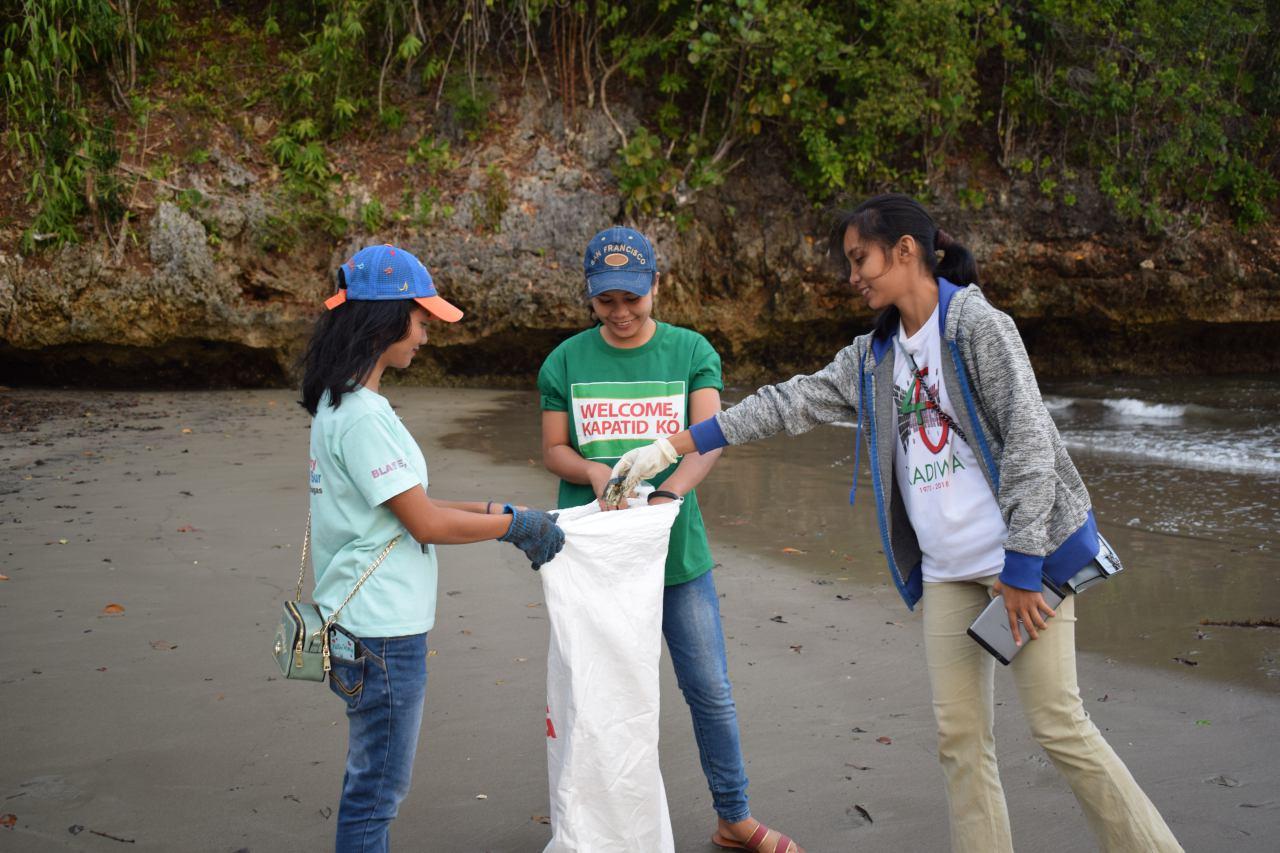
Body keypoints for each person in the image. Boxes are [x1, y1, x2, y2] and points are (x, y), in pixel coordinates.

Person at [610, 196, 1183, 853]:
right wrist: (672, 446)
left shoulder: (975, 325)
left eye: (861, 258)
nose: (853, 275)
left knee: (1059, 723)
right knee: (960, 741)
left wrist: (1023, 565)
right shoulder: (873, 355)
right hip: (946, 573)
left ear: (906, 250)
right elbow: (787, 401)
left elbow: (1030, 440)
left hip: (1023, 564)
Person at [536, 226, 804, 853]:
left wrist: (671, 492)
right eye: (607, 302)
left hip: (675, 554)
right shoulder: (564, 361)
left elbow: (709, 437)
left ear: (658, 286)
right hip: (595, 560)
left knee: (708, 688)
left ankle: (734, 818)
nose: (622, 313)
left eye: (634, 297)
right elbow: (553, 449)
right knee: (593, 695)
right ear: (590, 297)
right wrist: (595, 471)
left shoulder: (690, 352)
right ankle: (592, 826)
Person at [301, 244, 565, 853]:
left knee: (373, 782)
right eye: (420, 320)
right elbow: (423, 523)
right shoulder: (361, 416)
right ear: (386, 319)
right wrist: (515, 529)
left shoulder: (341, 404)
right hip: (382, 635)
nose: (424, 333)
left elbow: (407, 508)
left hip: (360, 626)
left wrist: (502, 511)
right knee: (378, 792)